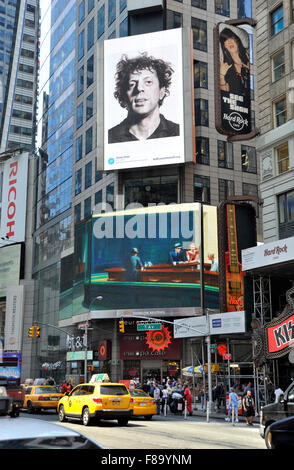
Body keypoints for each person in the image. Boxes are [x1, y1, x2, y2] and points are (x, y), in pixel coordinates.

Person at [108, 53, 179, 143]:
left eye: (148, 82)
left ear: (161, 91)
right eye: (132, 84)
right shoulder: (110, 137)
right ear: (123, 94)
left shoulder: (177, 132)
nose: (139, 88)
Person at [219, 27, 250, 96]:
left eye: (231, 38)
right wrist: (221, 76)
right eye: (226, 40)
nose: (229, 41)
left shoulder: (249, 59)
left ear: (237, 41)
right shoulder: (226, 69)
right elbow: (225, 96)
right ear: (224, 46)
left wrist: (250, 70)